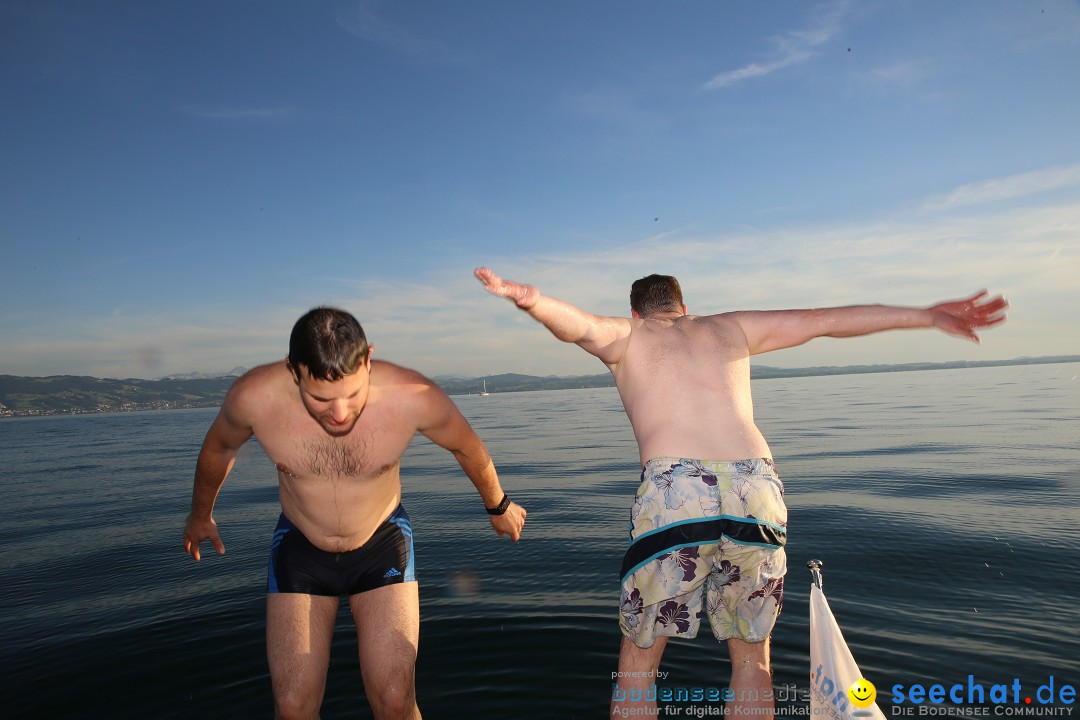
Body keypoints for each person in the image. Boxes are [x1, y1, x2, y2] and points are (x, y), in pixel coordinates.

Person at [474, 267, 1006, 717]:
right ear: (686, 308)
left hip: (677, 492)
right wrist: (927, 315)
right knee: (753, 660)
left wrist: (532, 300)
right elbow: (823, 322)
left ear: (638, 313)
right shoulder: (731, 328)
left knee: (639, 661)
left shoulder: (631, 337)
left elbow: (580, 327)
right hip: (756, 488)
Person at [183, 306, 526, 720]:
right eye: (320, 399)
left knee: (396, 698)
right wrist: (201, 515)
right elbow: (219, 448)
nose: (340, 414)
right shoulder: (254, 398)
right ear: (294, 371)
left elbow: (466, 445)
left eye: (352, 394)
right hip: (301, 548)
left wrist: (499, 505)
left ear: (368, 359)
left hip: (380, 542)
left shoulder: (412, 396)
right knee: (292, 706)